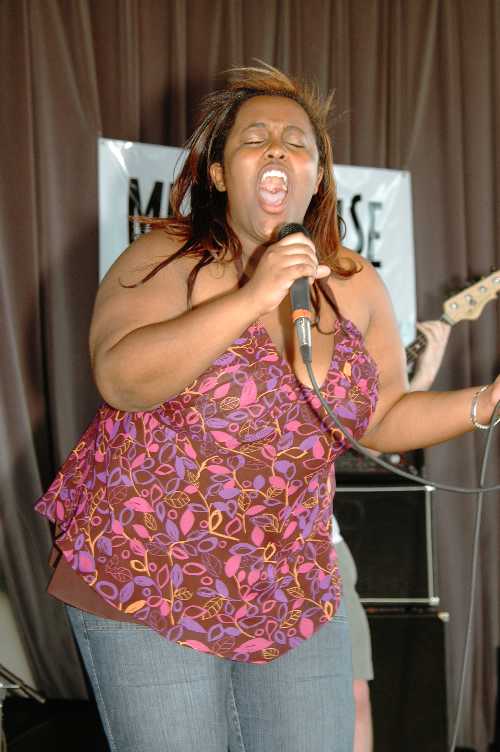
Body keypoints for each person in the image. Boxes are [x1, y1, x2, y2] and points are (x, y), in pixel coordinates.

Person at [35, 63, 499, 752]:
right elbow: (122, 379)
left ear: (317, 175)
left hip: (288, 586)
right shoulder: (165, 257)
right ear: (220, 174)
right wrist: (255, 294)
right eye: (255, 139)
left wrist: (485, 403)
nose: (278, 148)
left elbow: (380, 416)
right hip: (149, 572)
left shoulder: (354, 281)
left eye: (297, 142)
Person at [334, 318, 451, 752]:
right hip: (249, 550)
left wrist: (422, 378)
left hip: (325, 547)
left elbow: (370, 440)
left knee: (355, 695)